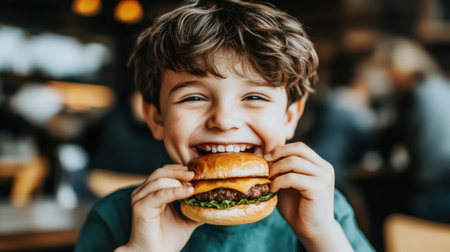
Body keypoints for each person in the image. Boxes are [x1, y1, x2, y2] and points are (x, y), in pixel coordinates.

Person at [75, 0, 374, 251]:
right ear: (157, 119)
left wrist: (323, 236)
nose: (224, 120)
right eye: (193, 97)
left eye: (255, 96)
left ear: (289, 117)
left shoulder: (324, 209)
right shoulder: (115, 218)